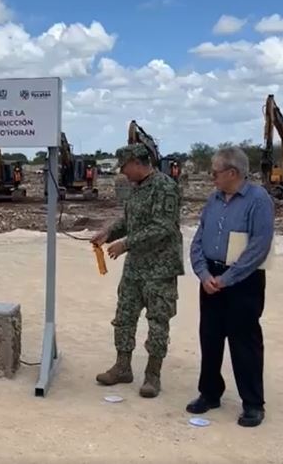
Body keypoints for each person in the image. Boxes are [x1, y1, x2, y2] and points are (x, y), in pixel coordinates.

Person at [188, 147, 274, 427]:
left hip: (243, 281)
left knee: (244, 342)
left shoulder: (258, 200)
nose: (211, 177)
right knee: (210, 338)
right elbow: (198, 239)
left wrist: (227, 279)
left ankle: (252, 403)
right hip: (211, 277)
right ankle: (210, 392)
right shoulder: (213, 199)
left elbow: (259, 247)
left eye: (215, 172)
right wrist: (203, 273)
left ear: (233, 173)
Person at [91, 143, 183, 398]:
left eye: (124, 166)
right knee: (124, 317)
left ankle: (153, 375)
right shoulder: (137, 189)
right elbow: (131, 221)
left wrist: (126, 244)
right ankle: (122, 368)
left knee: (157, 321)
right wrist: (109, 233)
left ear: (137, 162)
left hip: (160, 268)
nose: (123, 172)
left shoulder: (165, 187)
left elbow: (162, 227)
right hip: (135, 269)